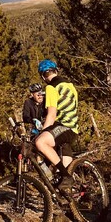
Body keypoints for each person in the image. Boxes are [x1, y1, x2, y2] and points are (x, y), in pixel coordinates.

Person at [33, 59, 79, 188]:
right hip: (73, 129)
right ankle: (71, 198)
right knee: (58, 175)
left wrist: (43, 133)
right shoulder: (70, 86)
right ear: (56, 71)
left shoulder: (51, 87)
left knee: (40, 142)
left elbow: (51, 114)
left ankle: (66, 176)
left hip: (64, 127)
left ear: (43, 76)